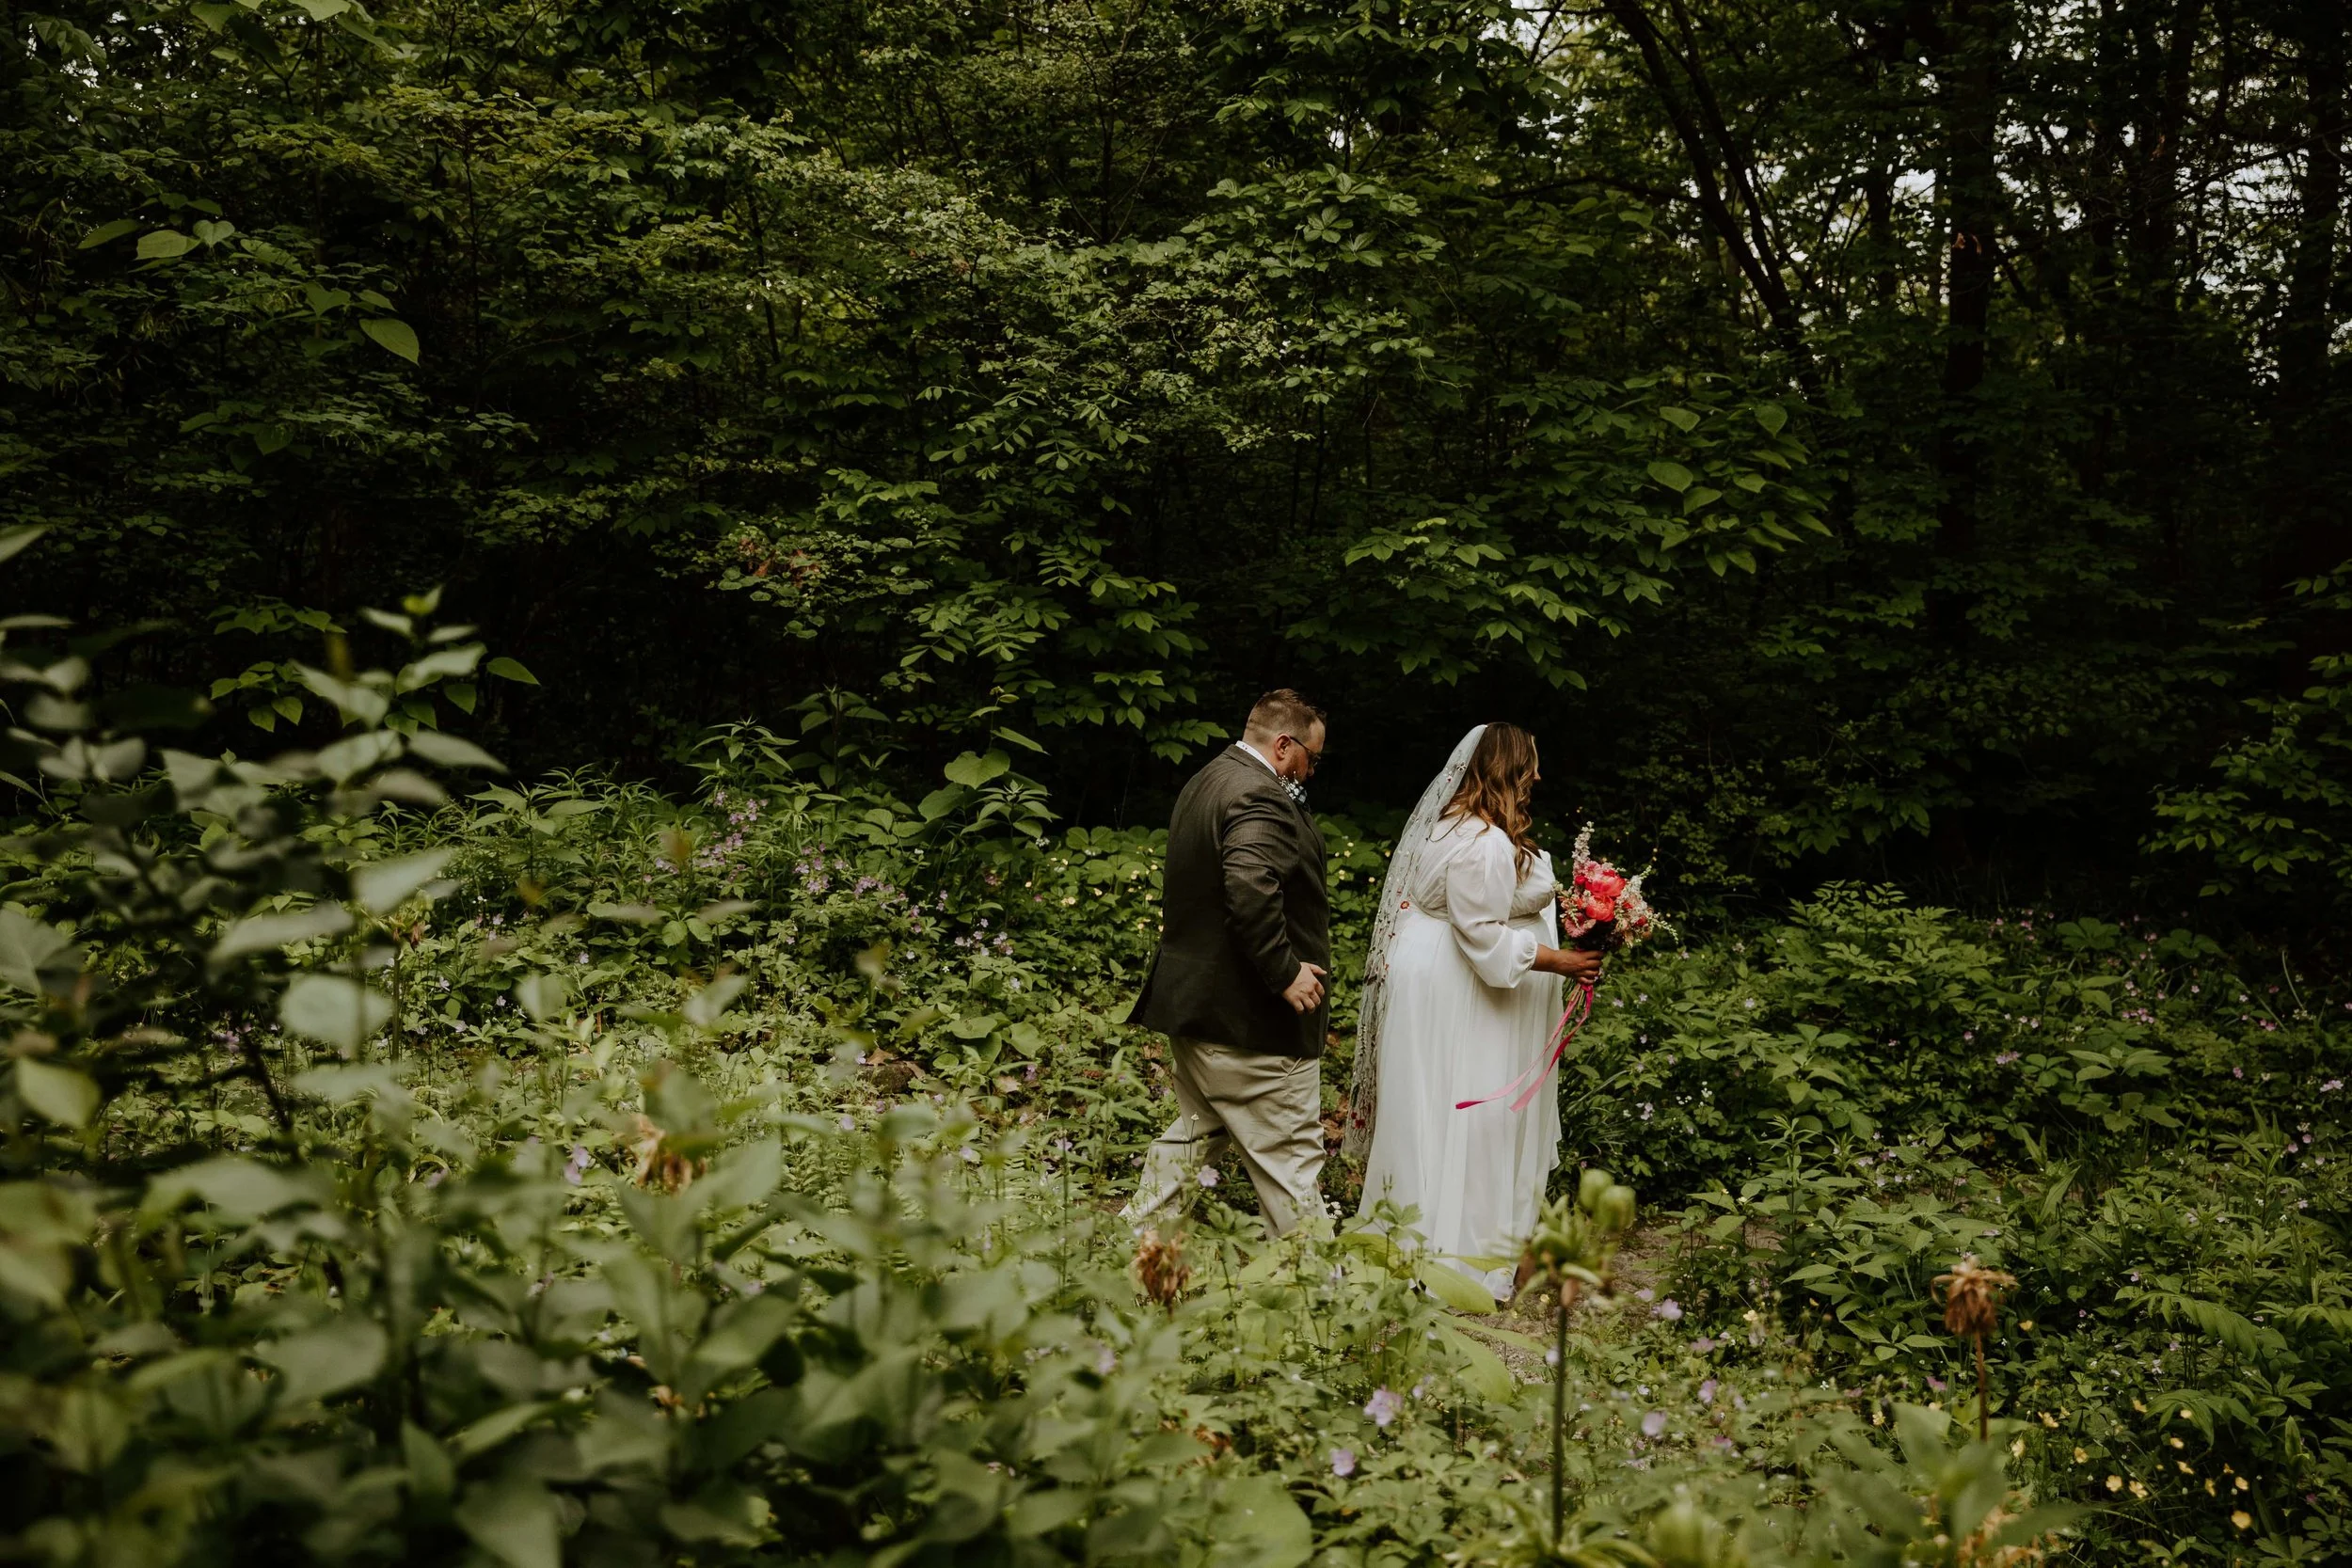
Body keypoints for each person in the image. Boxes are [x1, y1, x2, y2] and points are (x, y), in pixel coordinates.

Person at [1343, 723, 1604, 1301]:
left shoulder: (1447, 826)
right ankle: (1456, 1256)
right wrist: (1561, 961)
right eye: (1530, 764)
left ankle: (1410, 1237)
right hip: (1456, 984)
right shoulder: (1484, 841)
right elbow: (1483, 935)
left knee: (1428, 1106)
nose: (1537, 775)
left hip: (1429, 976)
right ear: (1508, 768)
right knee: (1468, 1111)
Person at [1124, 689, 1332, 1236]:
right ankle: (1328, 1302)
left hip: (1197, 1011)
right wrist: (1283, 970)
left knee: (1194, 1138)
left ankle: (1123, 1254)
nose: (1311, 771)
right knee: (1290, 1163)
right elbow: (1247, 885)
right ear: (1284, 745)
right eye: (1312, 757)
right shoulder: (1259, 796)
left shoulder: (1209, 778)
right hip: (1249, 1026)